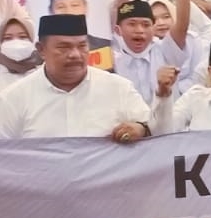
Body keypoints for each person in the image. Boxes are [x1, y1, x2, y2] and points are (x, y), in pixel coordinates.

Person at [0, 14, 151, 140]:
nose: (75, 54)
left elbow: (152, 128)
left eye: (82, 46)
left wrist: (140, 129)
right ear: (41, 50)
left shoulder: (118, 88)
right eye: (63, 47)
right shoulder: (14, 98)